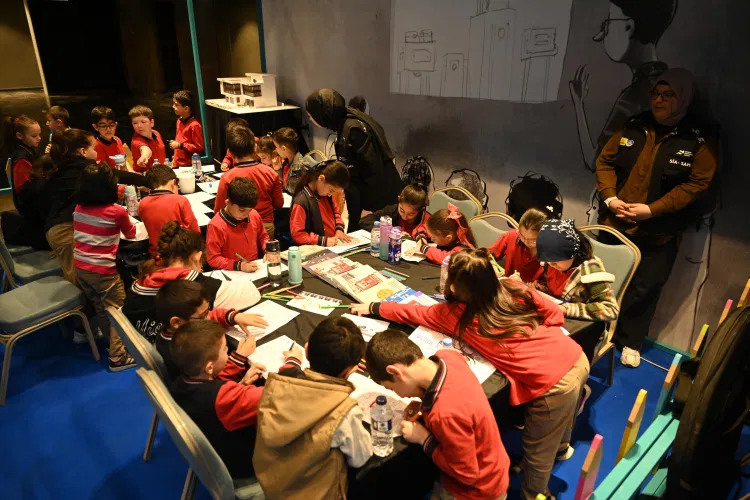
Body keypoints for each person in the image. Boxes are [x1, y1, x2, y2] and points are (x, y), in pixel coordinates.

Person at [351, 249, 589, 500]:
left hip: (553, 383)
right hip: (574, 354)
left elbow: (413, 312)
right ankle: (562, 448)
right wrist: (540, 338)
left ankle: (534, 494)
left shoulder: (453, 315)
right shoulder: (511, 288)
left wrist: (373, 306)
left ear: (453, 287)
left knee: (538, 449)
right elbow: (554, 313)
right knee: (560, 421)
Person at [595, 68, 717, 368]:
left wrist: (652, 210)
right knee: (602, 279)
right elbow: (604, 161)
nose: (659, 100)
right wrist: (610, 198)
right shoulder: (634, 124)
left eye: (668, 95)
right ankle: (596, 330)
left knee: (645, 288)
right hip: (614, 223)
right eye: (655, 94)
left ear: (683, 98)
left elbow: (698, 184)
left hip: (659, 230)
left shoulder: (698, 138)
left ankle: (629, 341)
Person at [366, 329, 509, 500]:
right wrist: (424, 402)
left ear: (395, 372)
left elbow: (466, 474)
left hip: (474, 491)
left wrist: (422, 437)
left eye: (391, 388)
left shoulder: (445, 414)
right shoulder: (448, 357)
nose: (399, 395)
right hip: (494, 465)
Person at [253, 316, 372, 498]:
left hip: (273, 484)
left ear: (306, 350)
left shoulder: (276, 384)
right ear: (351, 370)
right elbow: (360, 457)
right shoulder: (344, 411)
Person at [122, 221, 261, 342]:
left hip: (150, 351)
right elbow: (252, 294)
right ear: (197, 257)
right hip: (187, 355)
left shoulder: (140, 283)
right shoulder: (196, 288)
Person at [46, 129, 147, 287]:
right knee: (81, 282)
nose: (96, 152)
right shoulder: (84, 170)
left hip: (60, 229)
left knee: (87, 279)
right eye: (94, 148)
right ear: (83, 151)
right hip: (65, 231)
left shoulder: (64, 167)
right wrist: (148, 181)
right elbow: (115, 174)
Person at [170, 320, 268, 479]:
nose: (228, 351)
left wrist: (241, 385)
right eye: (225, 349)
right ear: (209, 367)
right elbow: (274, 397)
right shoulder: (223, 398)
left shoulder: (179, 383)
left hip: (215, 448)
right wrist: (292, 363)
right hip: (244, 463)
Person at [306, 89, 404, 232]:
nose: (310, 119)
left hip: (377, 200)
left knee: (371, 237)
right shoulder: (346, 122)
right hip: (362, 196)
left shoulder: (353, 129)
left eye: (311, 115)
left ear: (322, 114)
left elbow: (373, 170)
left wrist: (369, 208)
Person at [73, 163, 138, 372]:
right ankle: (118, 357)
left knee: (100, 306)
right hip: (103, 271)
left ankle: (110, 342)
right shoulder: (116, 212)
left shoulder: (78, 208)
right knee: (119, 310)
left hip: (81, 267)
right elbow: (131, 233)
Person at [154, 280, 268, 380]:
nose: (208, 318)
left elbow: (211, 315)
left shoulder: (177, 329)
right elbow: (213, 381)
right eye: (203, 316)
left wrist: (234, 316)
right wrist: (239, 357)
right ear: (176, 322)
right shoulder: (185, 351)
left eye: (207, 311)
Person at [535, 219, 619, 322]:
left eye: (556, 258)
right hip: (555, 313)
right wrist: (538, 287)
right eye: (547, 258)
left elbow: (610, 309)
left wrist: (566, 309)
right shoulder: (552, 265)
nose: (551, 263)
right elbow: (552, 287)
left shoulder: (590, 271)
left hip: (578, 323)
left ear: (572, 252)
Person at [214, 126, 283, 239]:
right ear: (255, 148)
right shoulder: (271, 173)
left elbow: (218, 210)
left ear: (231, 153)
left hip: (237, 228)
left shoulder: (227, 178)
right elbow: (279, 204)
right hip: (265, 226)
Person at [207, 178, 269, 271]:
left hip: (254, 266)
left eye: (249, 210)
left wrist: (268, 249)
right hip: (232, 271)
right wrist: (239, 265)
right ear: (228, 203)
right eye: (242, 210)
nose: (246, 215)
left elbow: (263, 236)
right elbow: (213, 258)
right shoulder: (216, 226)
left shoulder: (253, 214)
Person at [139, 164, 200, 257]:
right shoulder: (180, 200)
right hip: (181, 256)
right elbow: (195, 231)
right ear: (173, 182)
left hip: (157, 255)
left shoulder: (142, 203)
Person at [289, 160, 351, 247]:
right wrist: (322, 240)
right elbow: (297, 235)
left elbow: (336, 213)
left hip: (332, 244)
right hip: (314, 248)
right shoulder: (302, 201)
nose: (330, 194)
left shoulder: (326, 195)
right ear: (321, 179)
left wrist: (339, 230)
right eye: (331, 190)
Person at [489, 207, 548, 283]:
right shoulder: (512, 236)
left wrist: (524, 285)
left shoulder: (551, 253)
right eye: (522, 237)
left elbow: (548, 286)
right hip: (506, 286)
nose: (526, 242)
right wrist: (493, 266)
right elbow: (486, 255)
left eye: (533, 240)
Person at [359, 183, 430, 240]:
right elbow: (365, 221)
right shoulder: (393, 210)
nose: (405, 217)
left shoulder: (427, 219)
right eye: (402, 210)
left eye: (411, 214)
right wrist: (389, 231)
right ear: (399, 199)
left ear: (420, 210)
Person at [412, 204, 477, 265]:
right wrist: (421, 238)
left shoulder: (462, 251)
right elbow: (420, 228)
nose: (431, 239)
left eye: (434, 238)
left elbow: (444, 258)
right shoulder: (448, 233)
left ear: (448, 238)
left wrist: (423, 248)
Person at [272, 127, 316, 193]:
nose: (275, 150)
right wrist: (278, 170)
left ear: (284, 148)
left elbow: (293, 190)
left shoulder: (301, 167)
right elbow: (285, 186)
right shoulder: (287, 163)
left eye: (276, 147)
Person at [169, 90, 205, 167]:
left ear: (186, 109)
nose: (173, 106)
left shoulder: (195, 125)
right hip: (178, 163)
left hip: (189, 165)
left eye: (176, 105)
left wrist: (180, 145)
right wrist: (175, 157)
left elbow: (199, 147)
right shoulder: (179, 121)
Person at [129, 105, 166, 172]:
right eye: (135, 123)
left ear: (152, 123)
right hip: (143, 175)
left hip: (161, 172)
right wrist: (144, 157)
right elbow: (146, 150)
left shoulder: (156, 133)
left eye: (143, 122)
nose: (139, 126)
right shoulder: (136, 141)